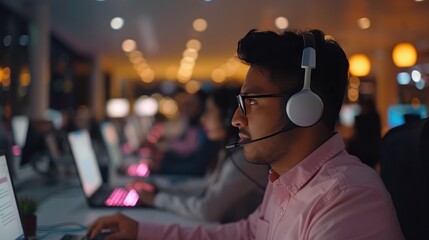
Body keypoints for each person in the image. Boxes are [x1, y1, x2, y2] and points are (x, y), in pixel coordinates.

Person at [87, 29, 404, 240]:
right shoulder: (283, 179)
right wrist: (142, 231)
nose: (237, 119)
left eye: (251, 102)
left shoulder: (349, 199)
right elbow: (248, 233)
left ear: (304, 108)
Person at [126, 87, 268, 223]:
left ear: (227, 117)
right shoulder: (229, 151)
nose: (202, 119)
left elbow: (207, 209)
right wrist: (159, 188)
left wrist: (157, 199)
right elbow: (206, 187)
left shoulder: (243, 160)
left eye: (209, 112)